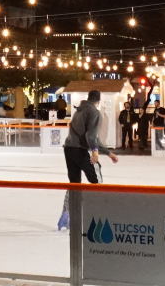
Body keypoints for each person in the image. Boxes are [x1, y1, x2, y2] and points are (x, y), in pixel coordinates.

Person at [58, 90, 119, 230]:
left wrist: (108, 153)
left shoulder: (78, 111)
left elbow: (90, 136)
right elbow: (91, 136)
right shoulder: (94, 112)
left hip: (69, 149)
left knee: (74, 184)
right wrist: (96, 151)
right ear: (98, 101)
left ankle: (66, 215)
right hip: (81, 150)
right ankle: (99, 214)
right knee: (96, 180)